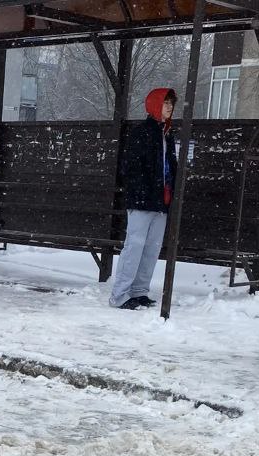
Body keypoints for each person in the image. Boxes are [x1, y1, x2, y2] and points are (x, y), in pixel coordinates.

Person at [112, 88, 178, 310]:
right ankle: (120, 295)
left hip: (161, 201)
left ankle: (139, 291)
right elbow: (130, 167)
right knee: (134, 246)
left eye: (171, 103)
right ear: (155, 105)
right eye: (165, 103)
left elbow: (170, 167)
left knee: (152, 248)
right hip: (142, 201)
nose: (169, 107)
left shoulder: (167, 134)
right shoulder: (141, 133)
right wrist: (142, 191)